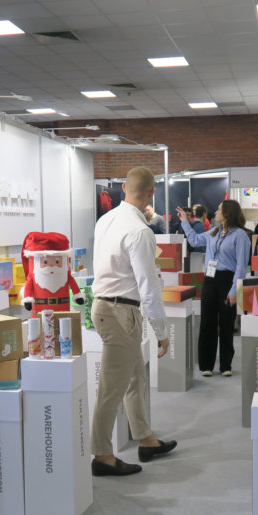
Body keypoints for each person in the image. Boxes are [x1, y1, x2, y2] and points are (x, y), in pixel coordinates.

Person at [89, 166, 177, 477]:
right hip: (120, 311)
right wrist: (161, 331)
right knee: (111, 388)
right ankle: (102, 455)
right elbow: (148, 287)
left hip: (108, 307)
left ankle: (145, 439)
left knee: (135, 378)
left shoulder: (106, 220)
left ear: (125, 187)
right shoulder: (140, 231)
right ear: (152, 193)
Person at [178, 200, 251, 376]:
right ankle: (206, 365)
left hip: (228, 280)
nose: (215, 212)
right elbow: (195, 240)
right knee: (207, 322)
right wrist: (184, 222)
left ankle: (226, 366)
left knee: (226, 323)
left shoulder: (240, 235)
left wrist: (234, 291)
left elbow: (241, 266)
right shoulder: (213, 232)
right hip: (210, 279)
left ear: (227, 213)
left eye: (219, 209)